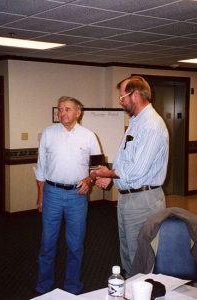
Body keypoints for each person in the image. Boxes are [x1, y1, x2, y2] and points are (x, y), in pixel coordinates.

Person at [91, 75, 169, 277]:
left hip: (143, 199)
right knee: (127, 252)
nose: (120, 101)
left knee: (141, 254)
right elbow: (127, 161)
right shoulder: (136, 122)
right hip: (129, 197)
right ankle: (131, 290)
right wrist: (112, 177)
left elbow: (138, 170)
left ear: (135, 95)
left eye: (122, 96)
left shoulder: (151, 125)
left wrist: (109, 172)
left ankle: (142, 292)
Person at [34, 96, 101, 295]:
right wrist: (40, 196)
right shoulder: (48, 133)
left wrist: (89, 181)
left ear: (78, 112)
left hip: (77, 196)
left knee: (75, 244)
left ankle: (72, 286)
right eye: (60, 109)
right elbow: (41, 168)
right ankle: (44, 285)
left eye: (67, 109)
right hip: (52, 193)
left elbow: (97, 167)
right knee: (47, 242)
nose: (62, 113)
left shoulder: (89, 135)